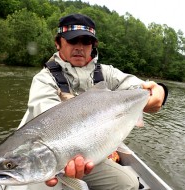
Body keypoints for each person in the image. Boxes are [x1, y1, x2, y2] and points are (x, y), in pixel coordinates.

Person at [18, 13, 168, 190]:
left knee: (129, 184)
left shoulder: (107, 73)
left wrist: (160, 91)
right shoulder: (44, 80)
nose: (79, 47)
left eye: (85, 41)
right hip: (52, 157)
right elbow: (47, 122)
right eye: (73, 41)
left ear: (93, 45)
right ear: (58, 43)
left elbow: (142, 88)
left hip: (92, 152)